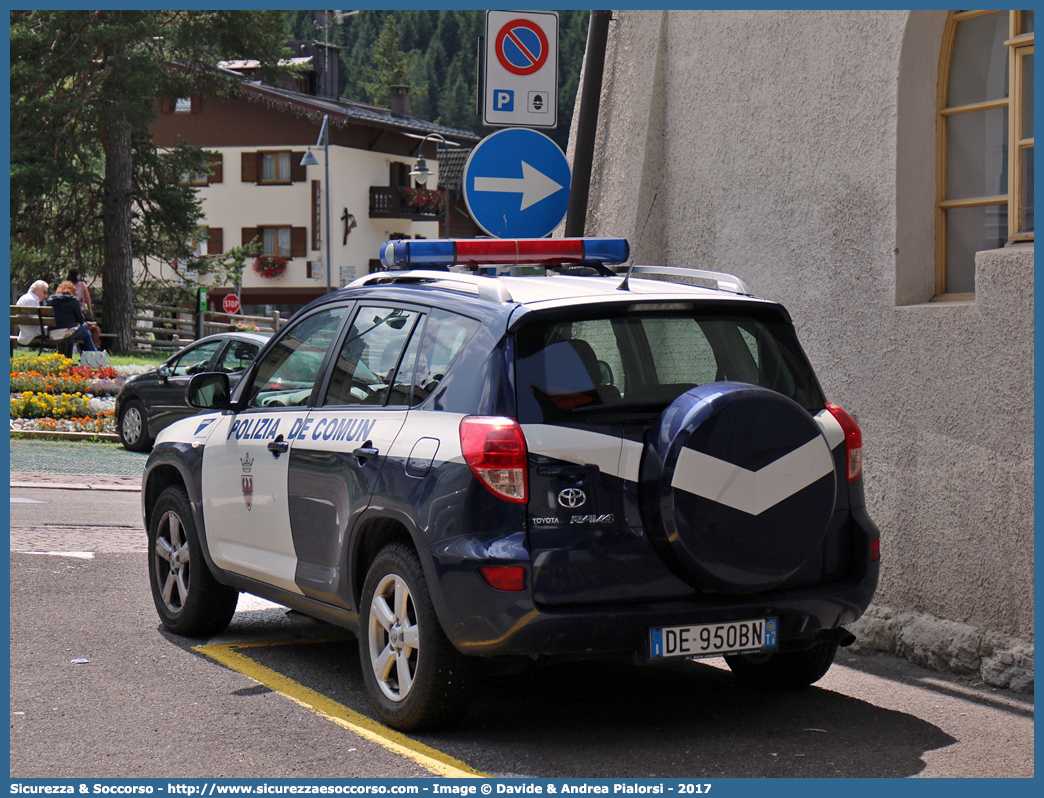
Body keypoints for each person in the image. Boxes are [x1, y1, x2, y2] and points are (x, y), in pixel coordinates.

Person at [47, 281, 97, 352]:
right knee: (85, 330)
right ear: (73, 291)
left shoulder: (50, 300)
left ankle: (87, 356)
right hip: (67, 333)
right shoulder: (73, 300)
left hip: (53, 333)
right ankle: (91, 356)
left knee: (84, 330)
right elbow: (81, 320)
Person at [65, 268, 102, 348]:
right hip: (80, 313)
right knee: (90, 328)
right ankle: (91, 348)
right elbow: (87, 298)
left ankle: (75, 347)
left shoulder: (66, 285)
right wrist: (90, 310)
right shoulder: (81, 285)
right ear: (77, 276)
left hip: (68, 313)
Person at [15, 280, 49, 346]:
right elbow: (37, 321)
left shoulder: (24, 298)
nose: (45, 295)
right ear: (36, 290)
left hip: (25, 332)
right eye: (44, 292)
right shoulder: (31, 300)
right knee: (58, 331)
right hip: (32, 333)